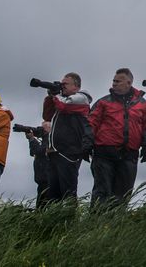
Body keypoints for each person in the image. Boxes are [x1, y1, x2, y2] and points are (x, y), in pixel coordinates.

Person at [88, 68, 146, 207]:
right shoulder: (103, 102)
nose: (114, 83)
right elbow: (91, 123)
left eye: (118, 81)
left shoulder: (142, 104)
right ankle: (96, 224)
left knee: (123, 195)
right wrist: (86, 144)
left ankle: (116, 225)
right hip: (104, 153)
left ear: (129, 83)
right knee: (102, 193)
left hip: (129, 155)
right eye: (113, 81)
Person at [42, 72, 93, 203]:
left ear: (76, 87)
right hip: (55, 152)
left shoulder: (81, 99)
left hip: (69, 152)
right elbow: (47, 115)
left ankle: (69, 220)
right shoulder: (61, 98)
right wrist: (50, 96)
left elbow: (63, 106)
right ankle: (55, 221)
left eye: (65, 84)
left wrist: (55, 94)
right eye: (61, 84)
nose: (62, 86)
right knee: (52, 194)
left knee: (68, 192)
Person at [24, 128, 49, 208]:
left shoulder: (50, 140)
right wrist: (31, 140)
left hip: (47, 179)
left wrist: (32, 139)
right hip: (42, 179)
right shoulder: (44, 141)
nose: (42, 130)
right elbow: (33, 152)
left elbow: (39, 151)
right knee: (41, 205)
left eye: (44, 128)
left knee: (45, 204)